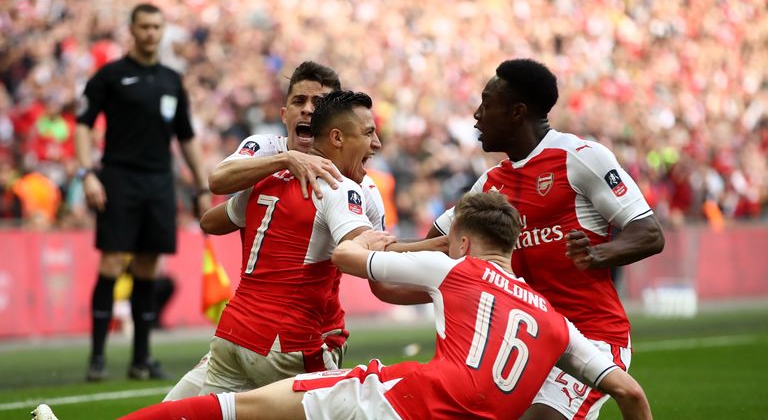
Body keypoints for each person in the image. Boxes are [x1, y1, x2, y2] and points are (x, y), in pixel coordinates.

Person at [33, 192, 652, 420]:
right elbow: (630, 394)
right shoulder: (554, 319)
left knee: (244, 407)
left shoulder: (452, 266)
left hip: (404, 399)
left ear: (462, 238)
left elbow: (352, 262)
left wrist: (367, 226)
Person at [425, 59, 665, 419]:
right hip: (526, 342)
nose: (476, 115)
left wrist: (599, 255)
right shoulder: (491, 183)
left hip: (592, 336)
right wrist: (375, 250)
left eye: (486, 104)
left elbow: (649, 233)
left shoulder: (581, 158)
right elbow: (438, 242)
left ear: (517, 112)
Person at [163, 61, 385, 400]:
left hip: (248, 330)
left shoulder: (355, 186)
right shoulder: (273, 158)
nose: (308, 110)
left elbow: (378, 274)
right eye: (299, 101)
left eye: (319, 103)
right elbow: (216, 188)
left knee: (185, 408)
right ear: (284, 113)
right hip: (295, 341)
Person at [74, 3, 211, 381]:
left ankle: (141, 357)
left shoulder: (171, 80)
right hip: (118, 178)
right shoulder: (109, 76)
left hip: (159, 183)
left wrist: (202, 185)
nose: (151, 33)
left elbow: (186, 137)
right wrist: (87, 173)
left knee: (149, 266)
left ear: (162, 30)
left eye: (157, 26)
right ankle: (98, 357)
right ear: (131, 30)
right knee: (113, 262)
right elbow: (83, 124)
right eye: (144, 27)